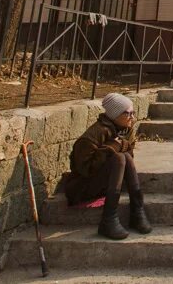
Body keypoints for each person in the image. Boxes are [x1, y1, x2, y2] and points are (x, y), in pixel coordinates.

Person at [63, 93, 152, 240]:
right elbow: (85, 169)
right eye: (128, 113)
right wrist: (112, 147)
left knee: (126, 157)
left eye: (133, 113)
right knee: (118, 158)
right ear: (115, 115)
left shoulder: (126, 130)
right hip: (83, 187)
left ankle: (137, 210)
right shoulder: (92, 135)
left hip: (109, 183)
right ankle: (108, 219)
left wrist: (119, 146)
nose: (132, 117)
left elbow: (129, 154)